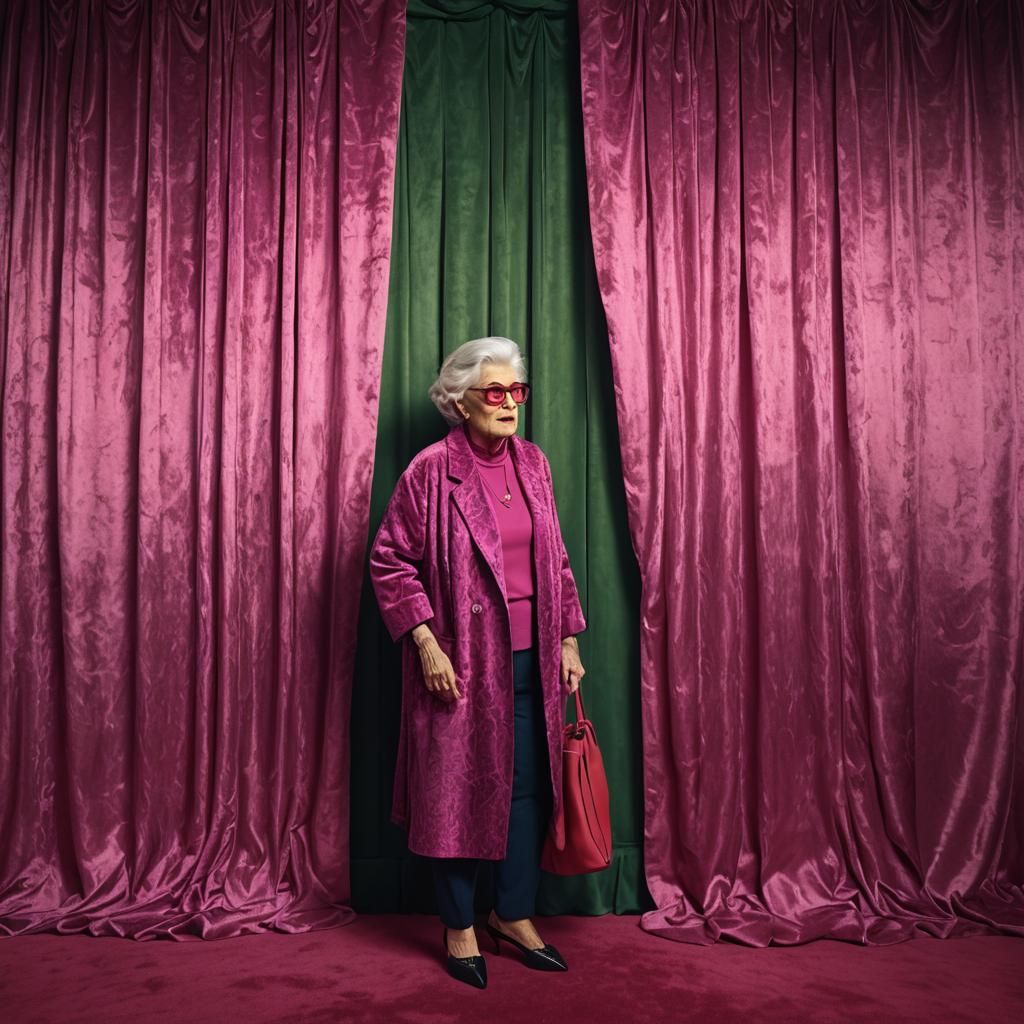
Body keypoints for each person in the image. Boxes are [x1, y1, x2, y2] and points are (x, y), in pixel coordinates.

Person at [369, 335, 587, 988]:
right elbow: (390, 560)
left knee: (524, 791)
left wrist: (569, 638)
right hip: (460, 664)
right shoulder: (431, 471)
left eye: (516, 391)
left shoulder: (536, 464)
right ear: (461, 402)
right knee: (456, 795)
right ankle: (460, 922)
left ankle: (512, 914)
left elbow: (557, 557)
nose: (509, 403)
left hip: (532, 660)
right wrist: (426, 641)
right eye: (494, 392)